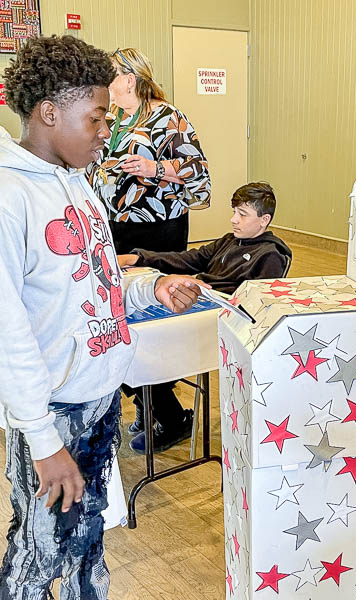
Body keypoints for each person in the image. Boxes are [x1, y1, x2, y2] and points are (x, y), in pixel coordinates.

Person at [0, 35, 204, 600]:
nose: (105, 132)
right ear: (49, 112)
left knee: (89, 534)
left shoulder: (81, 184)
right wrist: (42, 441)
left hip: (99, 393)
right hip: (54, 409)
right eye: (95, 118)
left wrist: (150, 288)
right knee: (39, 549)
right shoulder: (10, 196)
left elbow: (98, 278)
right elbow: (7, 332)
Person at [118, 182, 292, 453]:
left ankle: (172, 419)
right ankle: (148, 403)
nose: (234, 219)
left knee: (143, 347)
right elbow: (188, 259)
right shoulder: (228, 241)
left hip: (221, 326)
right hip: (197, 313)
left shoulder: (270, 255)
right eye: (234, 211)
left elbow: (254, 308)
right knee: (125, 336)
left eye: (243, 214)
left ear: (264, 220)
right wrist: (138, 258)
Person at [89, 46, 210, 254]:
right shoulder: (110, 116)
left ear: (129, 80)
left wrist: (154, 168)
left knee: (157, 282)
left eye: (111, 75)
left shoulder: (168, 116)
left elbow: (196, 168)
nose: (105, 82)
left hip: (157, 224)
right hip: (111, 222)